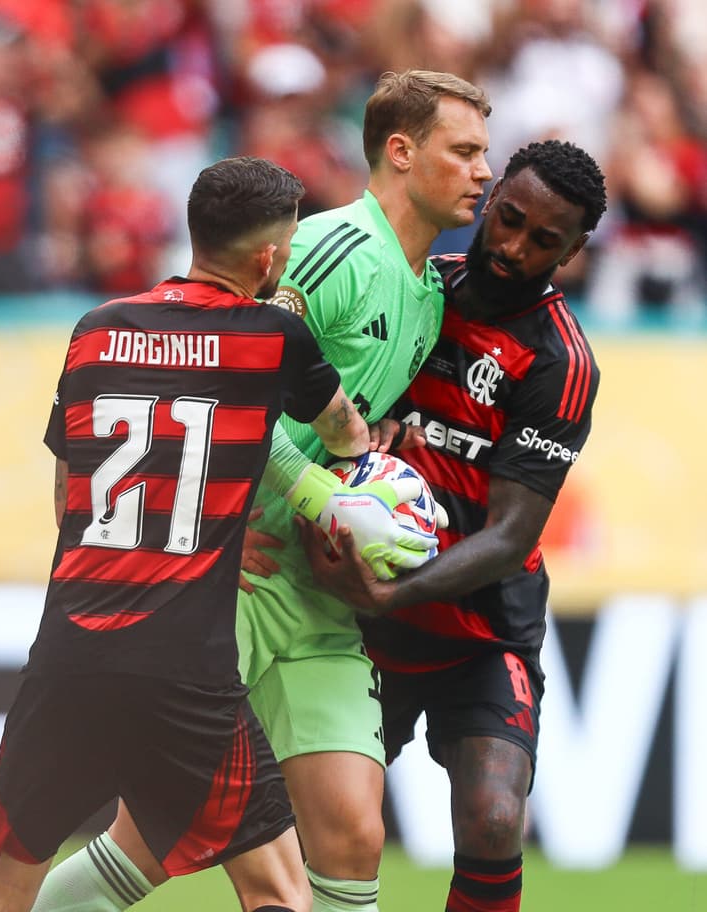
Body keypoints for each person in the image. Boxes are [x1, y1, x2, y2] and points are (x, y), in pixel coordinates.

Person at [31, 69, 493, 912]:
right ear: (400, 152)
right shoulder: (326, 249)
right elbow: (217, 381)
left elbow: (330, 411)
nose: (481, 171)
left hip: (318, 592)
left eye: (482, 154)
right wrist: (294, 500)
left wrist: (377, 457)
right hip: (232, 583)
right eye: (463, 151)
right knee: (152, 845)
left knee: (351, 836)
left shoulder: (428, 292)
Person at [0, 155, 381, 912]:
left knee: (0, 891)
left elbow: (69, 500)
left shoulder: (95, 330)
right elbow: (345, 432)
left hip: (69, 656)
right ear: (268, 257)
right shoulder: (272, 335)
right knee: (279, 890)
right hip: (184, 670)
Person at [299, 139, 608, 912]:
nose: (513, 247)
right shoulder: (416, 290)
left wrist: (391, 594)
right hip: (359, 621)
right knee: (314, 827)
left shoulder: (559, 362)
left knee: (495, 817)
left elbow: (511, 536)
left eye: (544, 240)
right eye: (510, 219)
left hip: (479, 629)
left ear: (572, 252)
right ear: (491, 197)